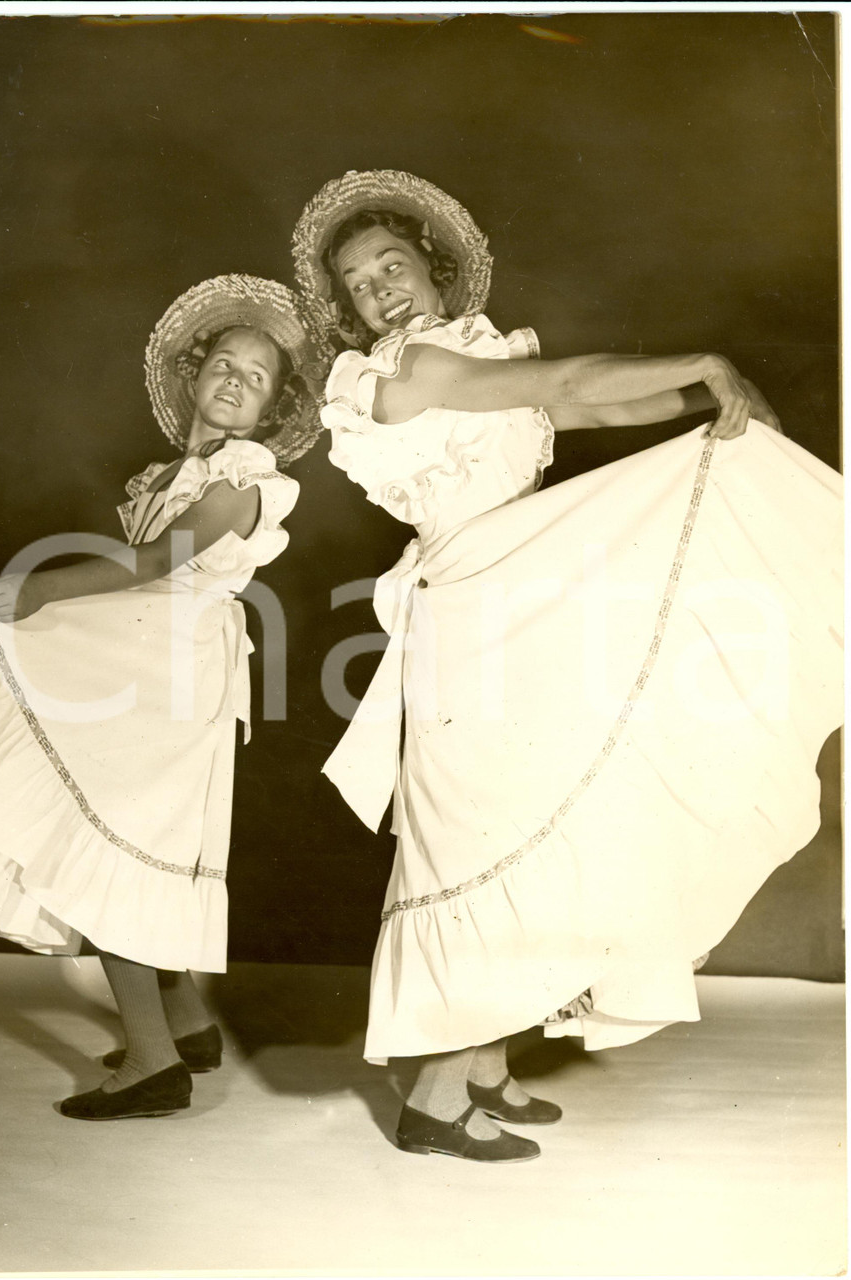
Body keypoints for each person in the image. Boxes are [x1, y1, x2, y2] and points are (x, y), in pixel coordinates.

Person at [292, 170, 842, 1163]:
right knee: (483, 832)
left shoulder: (467, 361)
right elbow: (567, 384)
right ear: (349, 308)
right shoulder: (411, 368)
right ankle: (431, 1093)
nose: (380, 290)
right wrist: (709, 360)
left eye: (393, 266)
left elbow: (570, 415)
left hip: (517, 593)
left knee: (527, 814)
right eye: (359, 283)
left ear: (436, 269)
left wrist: (705, 403)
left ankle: (486, 1068)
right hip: (476, 598)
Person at [0, 274, 330, 1121]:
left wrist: (45, 592)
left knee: (116, 836)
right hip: (141, 648)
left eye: (256, 376)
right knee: (126, 824)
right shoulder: (170, 473)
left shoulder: (246, 478)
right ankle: (186, 1025)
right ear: (193, 378)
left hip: (173, 659)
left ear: (270, 412)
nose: (234, 379)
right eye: (223, 362)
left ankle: (153, 1064)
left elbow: (158, 567)